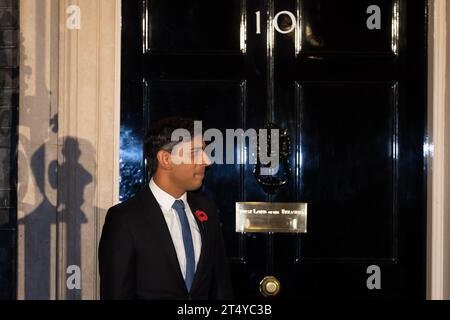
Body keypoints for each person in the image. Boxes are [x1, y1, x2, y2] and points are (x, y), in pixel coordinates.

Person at [99, 117, 233, 300]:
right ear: (166, 159)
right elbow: (116, 294)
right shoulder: (124, 219)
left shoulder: (207, 210)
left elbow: (221, 287)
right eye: (195, 152)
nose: (207, 161)